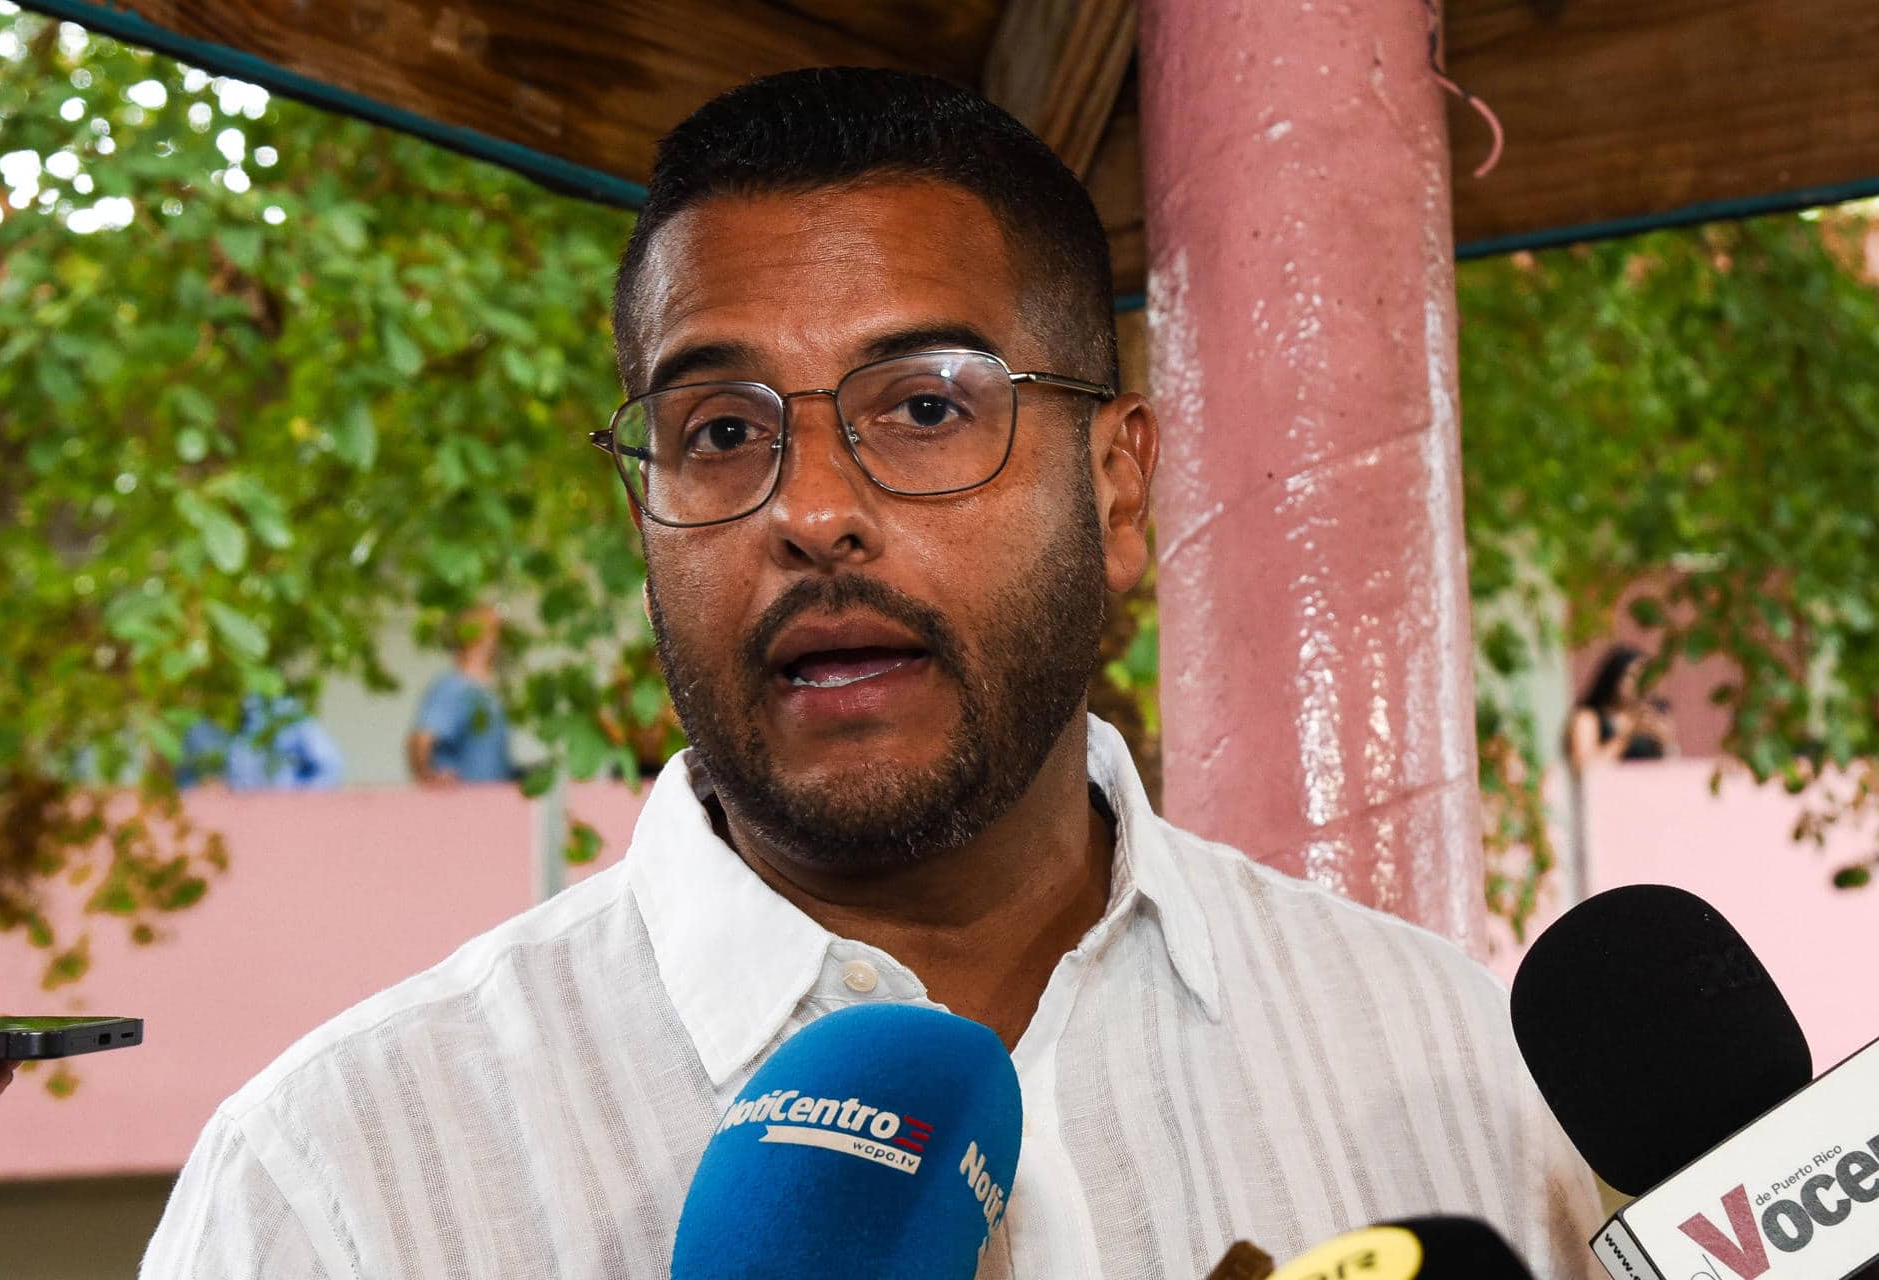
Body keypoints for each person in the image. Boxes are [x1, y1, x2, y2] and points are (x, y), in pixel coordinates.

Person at [142, 70, 1600, 1277]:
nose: (810, 508)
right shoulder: (333, 1183)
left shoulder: (1452, 1063)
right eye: (719, 432)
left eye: (923, 406)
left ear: (1119, 489)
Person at [405, 604, 513, 785]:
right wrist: (428, 778)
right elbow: (420, 740)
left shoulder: (488, 691)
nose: (496, 641)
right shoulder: (454, 687)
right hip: (463, 803)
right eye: (492, 631)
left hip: (490, 801)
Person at [176, 695, 345, 792]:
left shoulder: (284, 712)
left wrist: (293, 800)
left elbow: (330, 768)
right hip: (228, 828)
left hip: (282, 823)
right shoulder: (196, 727)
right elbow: (185, 786)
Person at [1567, 644, 1676, 770]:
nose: (1639, 684)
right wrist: (1627, 737)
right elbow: (1585, 766)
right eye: (1632, 676)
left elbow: (1671, 767)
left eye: (1644, 678)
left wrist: (1664, 741)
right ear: (1614, 676)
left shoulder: (1654, 716)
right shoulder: (1588, 717)